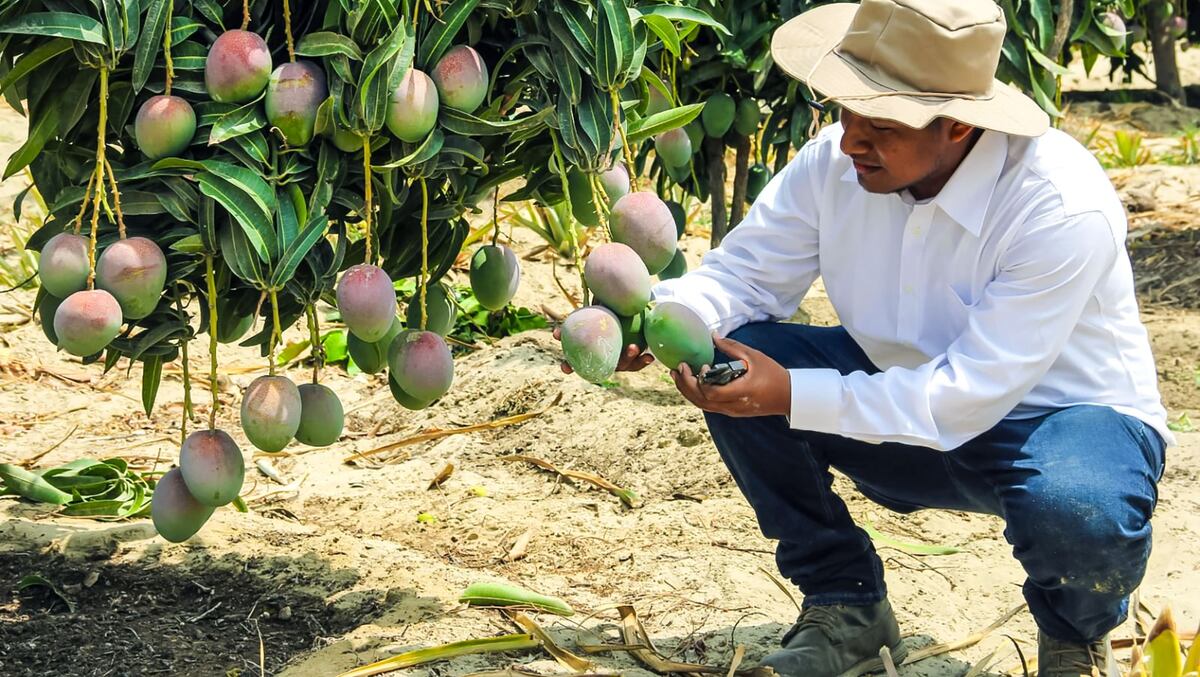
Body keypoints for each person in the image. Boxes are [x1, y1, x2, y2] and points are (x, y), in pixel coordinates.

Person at [557, 0, 1174, 675]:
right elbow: (742, 280)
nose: (851, 139)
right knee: (733, 358)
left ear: (960, 123)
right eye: (845, 112)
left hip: (1059, 429)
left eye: (879, 123)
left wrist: (792, 392)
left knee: (1077, 509)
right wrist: (655, 317)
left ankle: (1074, 633)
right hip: (901, 407)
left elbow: (962, 397)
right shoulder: (835, 165)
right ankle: (846, 602)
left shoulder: (1057, 205)